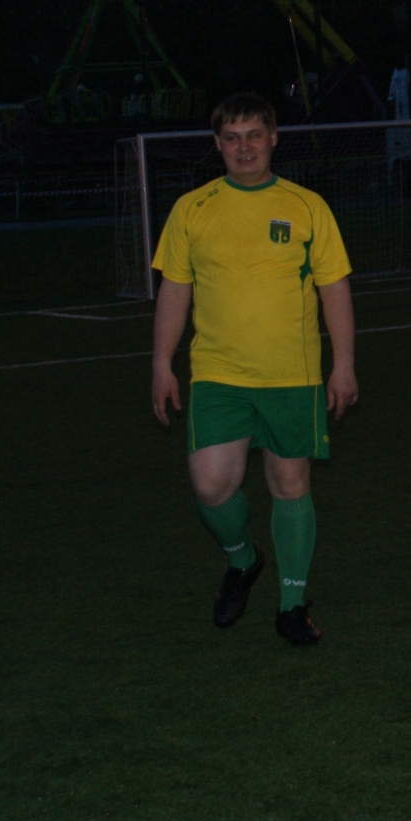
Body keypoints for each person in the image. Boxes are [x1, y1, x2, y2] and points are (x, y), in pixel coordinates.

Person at [150, 92, 359, 646]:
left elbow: (334, 288)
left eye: (254, 135)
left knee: (290, 483)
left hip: (292, 374)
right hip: (218, 374)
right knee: (210, 484)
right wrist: (161, 363)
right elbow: (174, 290)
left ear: (273, 139)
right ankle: (242, 558)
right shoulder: (192, 209)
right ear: (217, 145)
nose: (244, 147)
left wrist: (343, 365)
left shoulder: (307, 206)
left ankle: (291, 606)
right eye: (232, 138)